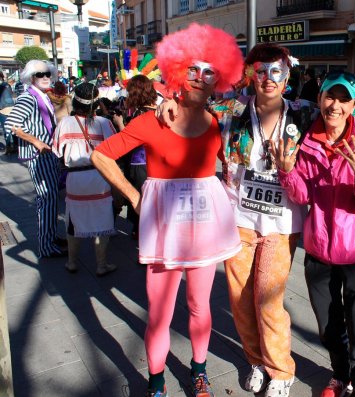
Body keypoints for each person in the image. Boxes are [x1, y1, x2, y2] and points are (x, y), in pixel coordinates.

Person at [157, 43, 355, 397]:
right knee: (239, 300)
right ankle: (256, 360)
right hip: (238, 218)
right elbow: (196, 104)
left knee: (267, 299)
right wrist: (172, 99)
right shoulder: (232, 109)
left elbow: (344, 109)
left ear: (287, 76)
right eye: (261, 71)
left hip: (283, 223)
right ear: (250, 74)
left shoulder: (301, 113)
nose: (268, 79)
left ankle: (281, 370)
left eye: (276, 72)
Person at [91, 23, 243, 397]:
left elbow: (233, 162)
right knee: (159, 314)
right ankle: (156, 382)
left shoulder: (217, 124)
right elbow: (101, 154)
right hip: (164, 230)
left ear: (217, 80)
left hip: (205, 229)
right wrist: (134, 195)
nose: (200, 77)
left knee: (199, 305)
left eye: (209, 72)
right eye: (193, 69)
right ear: (179, 71)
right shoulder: (154, 119)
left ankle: (200, 371)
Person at [276, 71, 355, 397]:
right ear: (321, 98)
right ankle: (340, 376)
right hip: (319, 253)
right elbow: (301, 194)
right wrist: (286, 170)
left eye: (343, 99)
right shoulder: (307, 140)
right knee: (328, 327)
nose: (335, 105)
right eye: (329, 97)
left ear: (354, 104)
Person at [52, 83, 118, 275]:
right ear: (96, 103)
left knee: (73, 220)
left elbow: (56, 151)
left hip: (75, 179)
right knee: (102, 221)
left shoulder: (65, 123)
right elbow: (115, 151)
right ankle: (101, 265)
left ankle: (72, 262)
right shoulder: (105, 123)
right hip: (99, 177)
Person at [6, 60, 67, 258]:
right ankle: (46, 246)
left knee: (50, 198)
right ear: (31, 77)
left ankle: (50, 237)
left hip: (48, 155)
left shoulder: (41, 96)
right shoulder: (28, 98)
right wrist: (36, 142)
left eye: (47, 73)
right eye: (40, 74)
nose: (45, 77)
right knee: (46, 199)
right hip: (39, 156)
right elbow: (11, 125)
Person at [123, 74, 158, 239]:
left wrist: (119, 124)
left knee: (141, 200)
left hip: (140, 161)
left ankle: (143, 238)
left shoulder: (139, 114)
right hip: (157, 162)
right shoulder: (158, 110)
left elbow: (130, 140)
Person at [0, 71, 16, 154]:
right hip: (11, 107)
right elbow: (12, 95)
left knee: (6, 128)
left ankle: (9, 147)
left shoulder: (2, 86)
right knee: (13, 127)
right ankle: (15, 147)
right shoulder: (7, 85)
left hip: (3, 109)